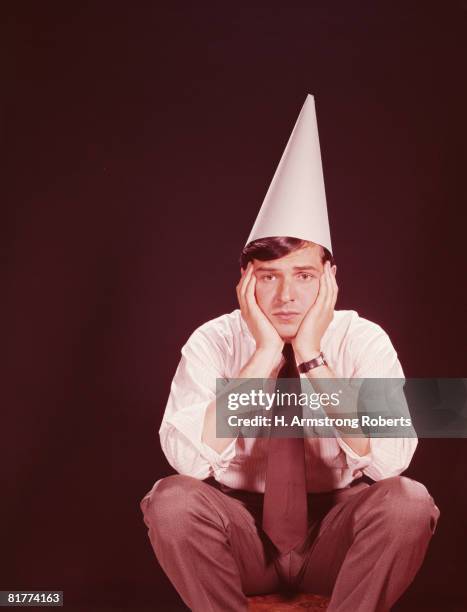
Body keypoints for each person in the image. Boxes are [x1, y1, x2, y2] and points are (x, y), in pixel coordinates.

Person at [140, 96, 440, 611]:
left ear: (329, 278)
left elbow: (390, 463)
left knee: (409, 503)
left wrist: (310, 357)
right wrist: (261, 357)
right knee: (170, 501)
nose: (285, 297)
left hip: (336, 533)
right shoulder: (213, 340)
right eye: (268, 278)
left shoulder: (363, 340)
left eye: (303, 277)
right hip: (238, 536)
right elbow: (187, 461)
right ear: (245, 282)